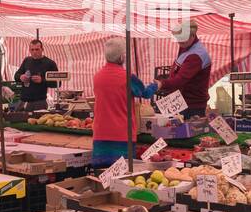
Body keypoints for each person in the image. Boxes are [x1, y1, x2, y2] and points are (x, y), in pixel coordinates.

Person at [90, 37, 156, 168]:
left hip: (100, 134)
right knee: (122, 177)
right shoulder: (127, 77)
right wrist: (156, 85)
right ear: (121, 57)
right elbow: (145, 93)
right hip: (122, 135)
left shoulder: (98, 76)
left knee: (102, 175)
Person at [157, 20, 212, 117]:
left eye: (183, 39)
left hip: (191, 106)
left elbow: (180, 80)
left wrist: (162, 83)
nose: (180, 41)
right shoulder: (186, 46)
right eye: (178, 38)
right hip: (179, 101)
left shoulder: (196, 55)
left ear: (193, 36)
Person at [13, 39, 59, 112]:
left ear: (42, 49)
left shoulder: (50, 63)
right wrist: (21, 77)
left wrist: (42, 80)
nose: (34, 52)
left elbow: (57, 83)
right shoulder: (27, 60)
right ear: (29, 50)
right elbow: (16, 76)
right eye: (32, 50)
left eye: (37, 49)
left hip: (39, 102)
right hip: (23, 101)